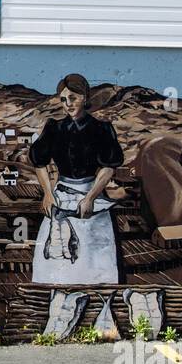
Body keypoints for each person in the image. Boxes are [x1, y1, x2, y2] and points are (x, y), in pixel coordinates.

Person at [29, 73, 124, 284]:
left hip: (91, 195)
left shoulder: (101, 129)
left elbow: (109, 167)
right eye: (63, 100)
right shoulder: (55, 128)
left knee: (94, 258)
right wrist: (47, 193)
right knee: (55, 256)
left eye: (73, 98)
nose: (68, 104)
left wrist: (90, 197)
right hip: (60, 197)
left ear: (85, 96)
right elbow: (39, 162)